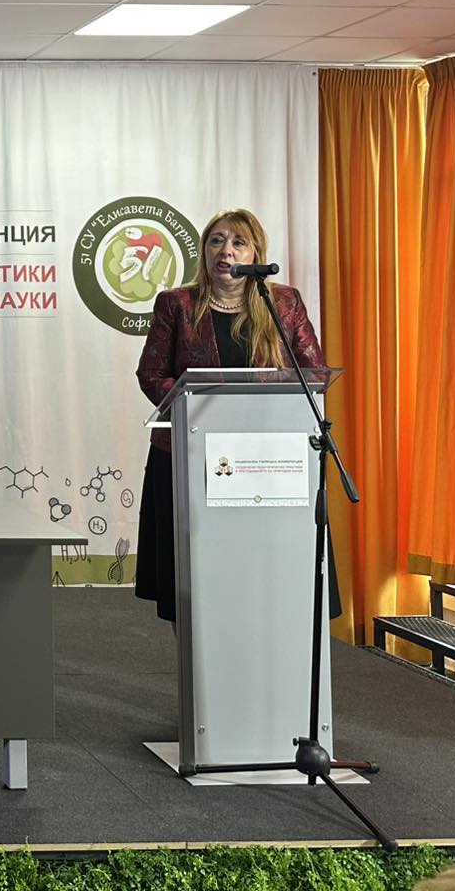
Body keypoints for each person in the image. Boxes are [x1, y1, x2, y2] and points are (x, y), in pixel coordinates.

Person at [134, 207, 334, 623]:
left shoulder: (284, 303)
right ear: (204, 251)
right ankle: (199, 658)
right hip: (189, 455)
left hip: (266, 459)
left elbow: (313, 374)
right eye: (216, 241)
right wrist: (206, 407)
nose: (225, 251)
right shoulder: (176, 304)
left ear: (255, 253)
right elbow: (151, 374)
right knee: (193, 579)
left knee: (257, 571)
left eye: (238, 242)